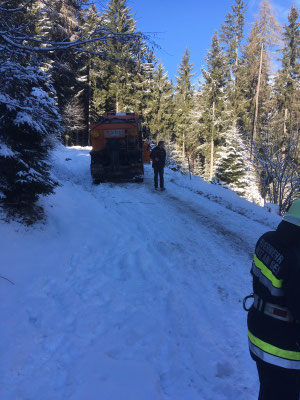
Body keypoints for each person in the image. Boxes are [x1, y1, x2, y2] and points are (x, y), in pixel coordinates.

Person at [245, 197, 300, 400]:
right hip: (284, 349)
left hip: (259, 332)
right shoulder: (296, 256)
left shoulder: (267, 239)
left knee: (268, 390)